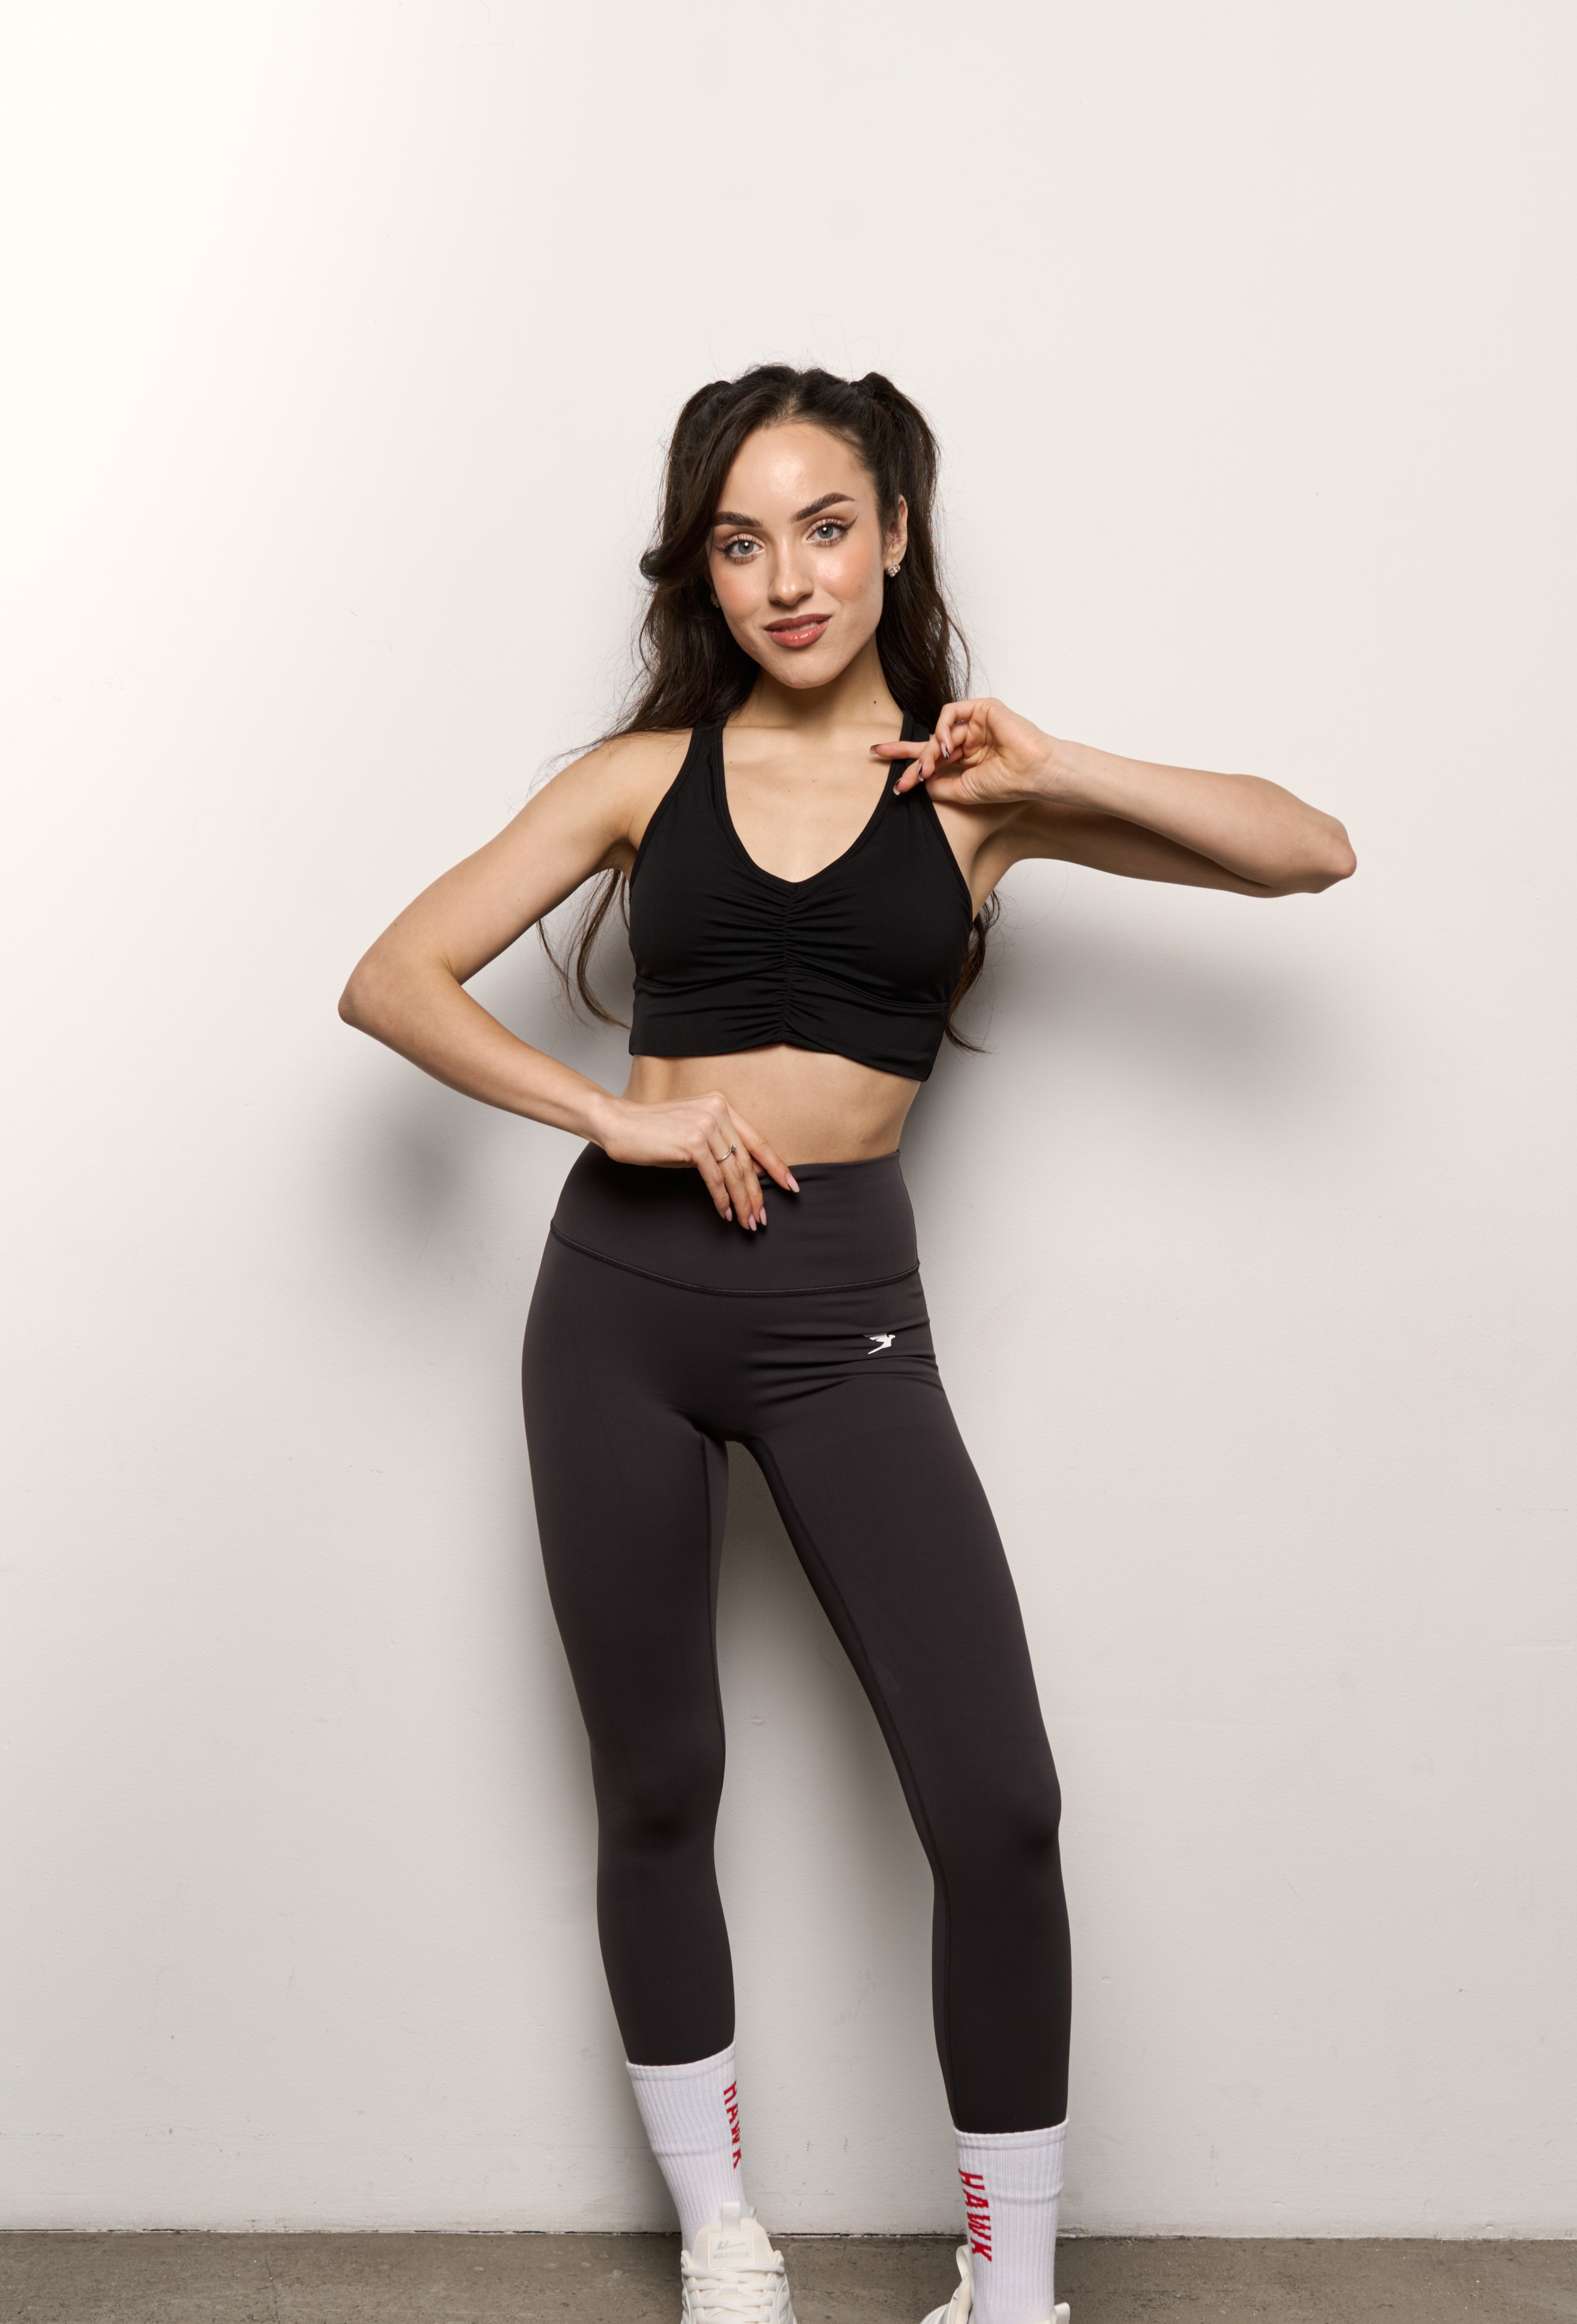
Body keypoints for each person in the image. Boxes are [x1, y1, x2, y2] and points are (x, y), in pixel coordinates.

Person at [339, 365, 1355, 2324]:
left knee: (999, 1805)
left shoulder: (973, 794)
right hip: (616, 1314)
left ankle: (1011, 2285)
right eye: (741, 543)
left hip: (842, 1322)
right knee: (658, 1783)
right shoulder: (643, 777)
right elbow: (394, 977)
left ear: (895, 533)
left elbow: (1307, 849)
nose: (788, 578)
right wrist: (614, 1115)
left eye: (824, 527)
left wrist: (1058, 763)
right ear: (703, 574)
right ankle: (723, 2238)